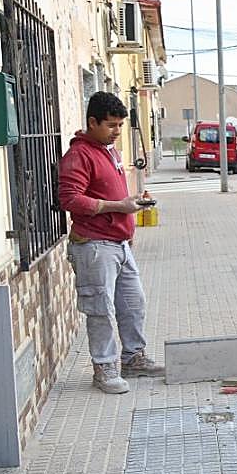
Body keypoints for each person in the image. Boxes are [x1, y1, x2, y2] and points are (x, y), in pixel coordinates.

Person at [58, 91, 165, 394]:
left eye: (120, 125)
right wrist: (118, 207)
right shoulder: (79, 155)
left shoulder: (109, 151)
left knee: (133, 304)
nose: (117, 132)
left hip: (119, 244)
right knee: (100, 309)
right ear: (92, 122)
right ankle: (104, 369)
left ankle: (133, 359)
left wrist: (132, 206)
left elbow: (111, 193)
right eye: (111, 125)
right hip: (93, 246)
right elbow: (70, 199)